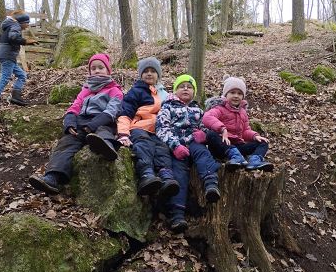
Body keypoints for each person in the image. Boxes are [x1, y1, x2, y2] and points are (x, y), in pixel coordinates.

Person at [29, 53, 123, 194]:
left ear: (108, 70)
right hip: (81, 122)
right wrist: (70, 122)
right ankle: (52, 178)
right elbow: (75, 107)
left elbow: (112, 111)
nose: (97, 71)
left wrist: (93, 125)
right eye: (93, 68)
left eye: (101, 67)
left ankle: (107, 147)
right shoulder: (85, 90)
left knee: (103, 132)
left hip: (103, 120)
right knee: (66, 143)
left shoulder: (115, 90)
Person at [155, 74, 221, 232]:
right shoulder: (168, 107)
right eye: (181, 86)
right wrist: (175, 145)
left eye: (189, 87)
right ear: (175, 90)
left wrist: (204, 135)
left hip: (193, 142)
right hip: (177, 145)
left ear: (194, 92)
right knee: (179, 173)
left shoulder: (198, 109)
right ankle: (177, 214)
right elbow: (161, 128)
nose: (185, 89)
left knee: (204, 155)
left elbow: (205, 126)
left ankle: (211, 184)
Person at [117, 57, 180, 198]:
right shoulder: (136, 91)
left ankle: (166, 177)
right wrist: (123, 133)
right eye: (145, 71)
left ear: (158, 75)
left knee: (162, 149)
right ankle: (147, 175)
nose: (149, 74)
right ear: (141, 75)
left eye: (153, 71)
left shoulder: (164, 95)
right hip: (139, 127)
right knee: (143, 145)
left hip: (158, 131)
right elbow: (125, 112)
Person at [202, 76, 273, 171]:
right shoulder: (219, 108)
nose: (236, 96)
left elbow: (245, 131)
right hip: (222, 145)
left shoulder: (242, 112)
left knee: (263, 142)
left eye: (239, 93)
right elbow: (207, 117)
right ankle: (235, 157)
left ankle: (254, 161)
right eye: (232, 92)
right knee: (211, 134)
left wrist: (254, 136)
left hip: (238, 146)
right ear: (226, 94)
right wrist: (222, 129)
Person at [0, 11, 38, 106]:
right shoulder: (15, 27)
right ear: (22, 22)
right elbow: (13, 38)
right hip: (8, 56)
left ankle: (15, 97)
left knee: (22, 76)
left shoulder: (9, 28)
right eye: (27, 23)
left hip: (8, 57)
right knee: (5, 77)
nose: (28, 25)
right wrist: (26, 41)